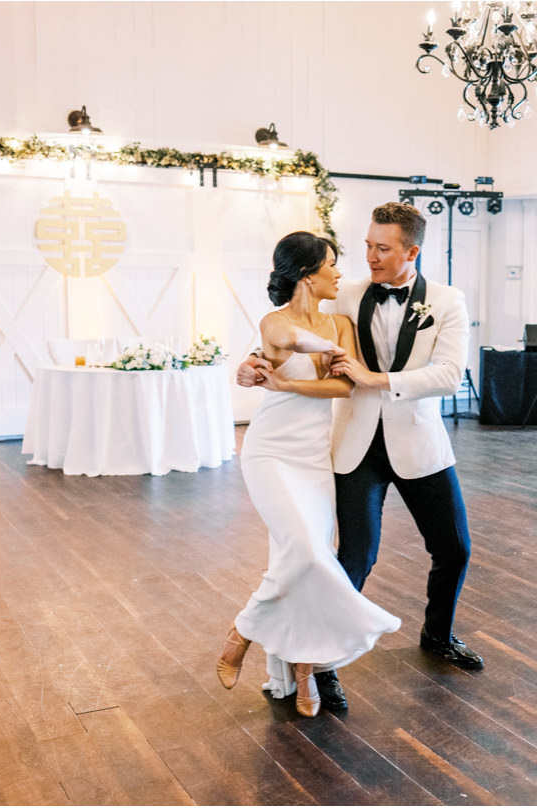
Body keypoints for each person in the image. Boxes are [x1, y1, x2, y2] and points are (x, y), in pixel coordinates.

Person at [239, 202, 481, 714]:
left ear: (411, 251)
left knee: (454, 548)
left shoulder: (448, 300)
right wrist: (254, 360)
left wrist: (378, 380)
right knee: (353, 558)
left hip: (419, 442)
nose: (368, 256)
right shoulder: (344, 292)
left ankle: (438, 636)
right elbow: (291, 325)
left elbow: (449, 375)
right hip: (355, 445)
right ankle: (320, 665)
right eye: (367, 245)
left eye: (382, 248)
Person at [217, 231, 400, 719]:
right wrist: (256, 365)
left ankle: (295, 666)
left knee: (307, 557)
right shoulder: (273, 322)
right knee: (304, 549)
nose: (340, 273)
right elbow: (292, 341)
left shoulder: (341, 323)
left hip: (315, 459)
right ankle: (248, 636)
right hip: (271, 452)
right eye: (331, 265)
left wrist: (281, 380)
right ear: (306, 274)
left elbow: (343, 388)